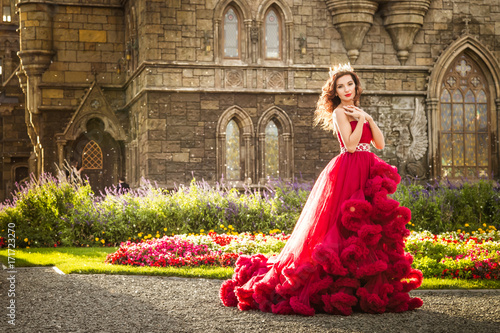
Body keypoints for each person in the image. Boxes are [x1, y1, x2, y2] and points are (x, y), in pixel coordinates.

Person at [219, 63, 423, 316]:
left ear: (356, 87)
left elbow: (379, 144)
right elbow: (349, 145)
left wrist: (367, 118)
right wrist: (359, 121)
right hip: (348, 170)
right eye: (341, 86)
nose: (346, 89)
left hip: (367, 169)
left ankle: (360, 284)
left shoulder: (358, 111)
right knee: (339, 225)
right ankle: (334, 284)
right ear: (335, 91)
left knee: (366, 225)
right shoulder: (340, 112)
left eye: (350, 84)